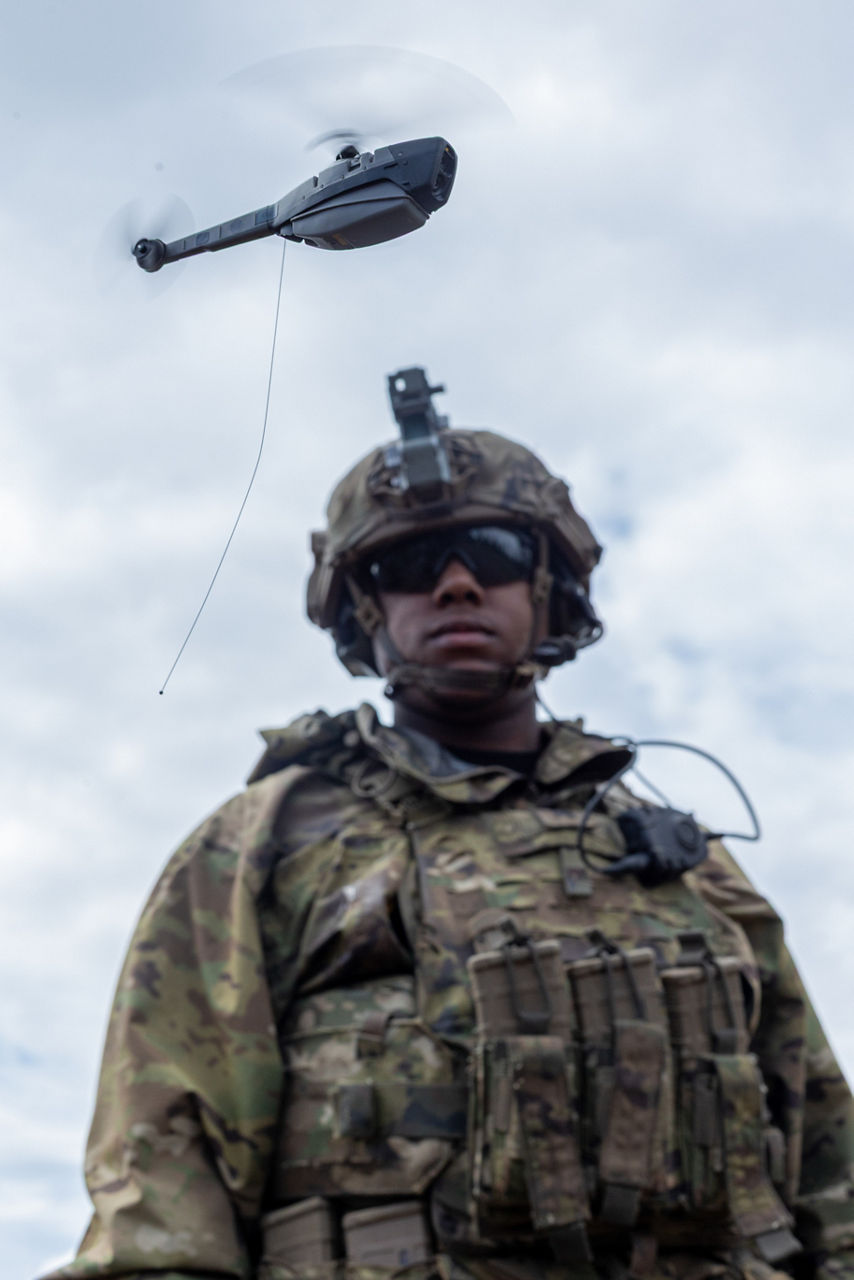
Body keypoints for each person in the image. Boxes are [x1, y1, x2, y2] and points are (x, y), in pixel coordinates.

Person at [48, 367, 854, 1280]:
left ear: (546, 588)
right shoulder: (266, 841)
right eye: (411, 565)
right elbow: (163, 1188)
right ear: (366, 609)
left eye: (497, 552)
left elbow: (829, 1166)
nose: (460, 584)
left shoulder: (689, 867)